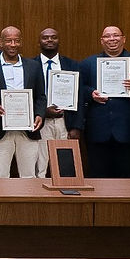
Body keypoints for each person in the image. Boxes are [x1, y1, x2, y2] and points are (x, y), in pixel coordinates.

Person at [75, 26, 130, 178]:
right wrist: (91, 94)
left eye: (116, 35)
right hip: (97, 130)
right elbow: (79, 88)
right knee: (98, 176)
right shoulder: (88, 63)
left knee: (127, 177)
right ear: (102, 41)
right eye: (107, 36)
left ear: (124, 38)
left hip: (128, 130)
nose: (112, 39)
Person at [0, 27, 45, 178]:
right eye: (8, 41)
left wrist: (40, 114)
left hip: (28, 129)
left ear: (21, 42)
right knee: (0, 175)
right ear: (1, 42)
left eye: (16, 41)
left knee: (29, 176)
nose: (13, 44)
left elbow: (41, 96)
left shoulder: (34, 66)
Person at [35, 27, 82, 178]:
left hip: (65, 122)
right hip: (41, 123)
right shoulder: (30, 64)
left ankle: (66, 196)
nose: (49, 40)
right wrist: (43, 111)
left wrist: (76, 126)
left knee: (65, 165)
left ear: (58, 40)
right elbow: (30, 96)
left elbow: (80, 97)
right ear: (39, 42)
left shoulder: (73, 65)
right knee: (40, 166)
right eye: (45, 37)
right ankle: (37, 196)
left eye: (53, 37)